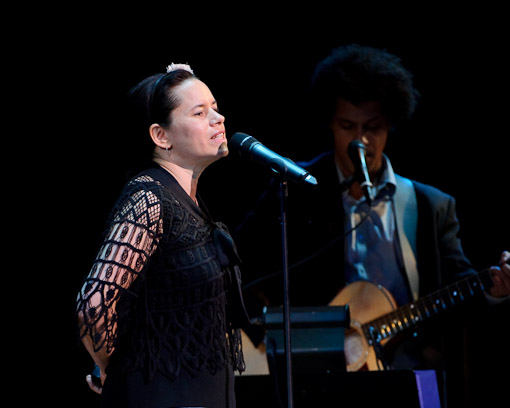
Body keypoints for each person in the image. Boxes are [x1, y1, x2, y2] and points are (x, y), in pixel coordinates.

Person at [234, 44, 509, 406]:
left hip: (405, 369)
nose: (360, 141)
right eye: (348, 126)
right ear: (330, 122)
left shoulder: (431, 206)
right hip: (315, 375)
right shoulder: (295, 190)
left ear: (390, 125)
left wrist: (495, 289)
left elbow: (456, 288)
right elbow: (244, 265)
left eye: (373, 128)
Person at [76, 63, 250, 408]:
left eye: (215, 108)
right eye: (200, 112)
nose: (219, 118)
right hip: (163, 394)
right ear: (161, 136)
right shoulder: (149, 197)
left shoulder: (188, 202)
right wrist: (112, 366)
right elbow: (93, 304)